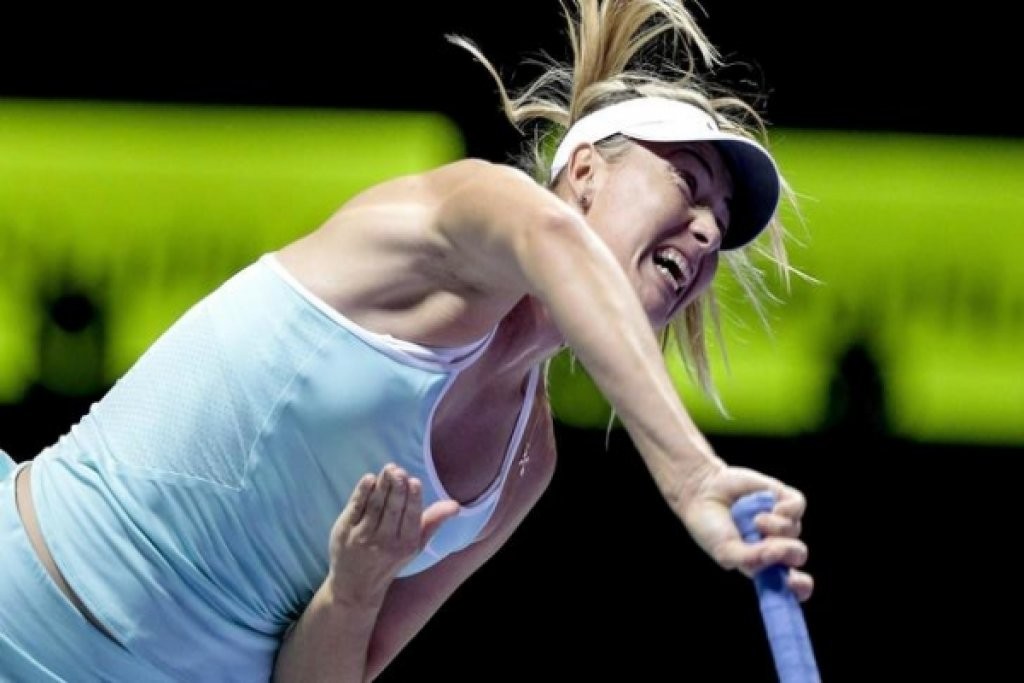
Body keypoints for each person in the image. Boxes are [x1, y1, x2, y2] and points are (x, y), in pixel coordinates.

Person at [0, 1, 813, 681]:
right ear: (585, 174)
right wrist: (691, 474)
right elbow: (551, 243)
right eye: (687, 184)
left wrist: (352, 590)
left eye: (719, 229)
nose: (707, 230)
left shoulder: (524, 466)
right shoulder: (463, 217)